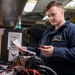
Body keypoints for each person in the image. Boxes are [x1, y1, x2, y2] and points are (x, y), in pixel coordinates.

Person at [19, 1, 75, 75]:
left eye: (53, 14)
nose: (51, 18)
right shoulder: (47, 32)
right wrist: (27, 50)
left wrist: (55, 52)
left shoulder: (72, 29)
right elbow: (40, 51)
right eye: (48, 16)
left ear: (62, 12)